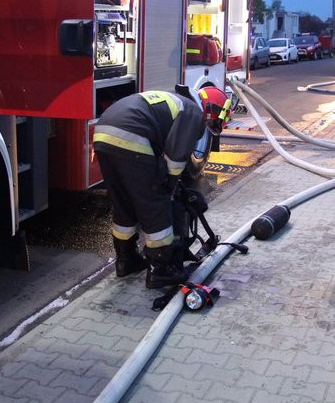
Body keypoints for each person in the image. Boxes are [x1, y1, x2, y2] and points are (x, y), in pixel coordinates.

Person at [93, 87, 232, 289]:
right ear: (213, 110)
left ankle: (126, 261)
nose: (209, 125)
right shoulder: (193, 112)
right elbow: (175, 159)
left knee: (124, 204)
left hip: (103, 135)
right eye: (214, 122)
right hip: (132, 137)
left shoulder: (175, 101)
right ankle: (161, 270)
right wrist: (169, 184)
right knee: (155, 205)